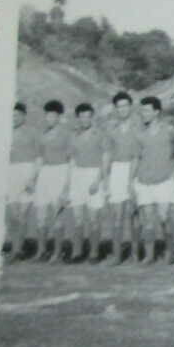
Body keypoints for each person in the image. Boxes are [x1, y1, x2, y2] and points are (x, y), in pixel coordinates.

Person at [130, 96, 174, 265]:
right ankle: (149, 256)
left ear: (156, 112)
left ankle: (169, 252)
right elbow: (136, 158)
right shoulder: (139, 133)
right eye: (142, 110)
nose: (143, 114)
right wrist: (131, 181)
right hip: (144, 181)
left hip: (164, 181)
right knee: (147, 221)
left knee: (164, 218)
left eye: (147, 110)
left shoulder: (170, 130)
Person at [66, 103, 109, 264]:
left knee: (93, 217)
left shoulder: (100, 134)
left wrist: (98, 180)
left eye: (88, 116)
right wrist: (68, 184)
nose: (85, 119)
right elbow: (71, 160)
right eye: (81, 116)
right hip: (77, 175)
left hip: (93, 174)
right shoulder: (73, 135)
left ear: (92, 117)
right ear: (77, 118)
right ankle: (77, 252)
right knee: (77, 217)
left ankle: (94, 252)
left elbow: (105, 159)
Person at [31, 99, 72, 262]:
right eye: (47, 116)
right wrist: (33, 178)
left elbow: (71, 161)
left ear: (59, 117)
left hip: (60, 171)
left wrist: (66, 186)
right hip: (44, 173)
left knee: (57, 214)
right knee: (40, 214)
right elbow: (39, 158)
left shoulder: (66, 134)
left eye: (53, 116)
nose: (50, 119)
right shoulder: (42, 134)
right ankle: (41, 251)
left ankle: (57, 252)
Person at [105, 91, 141, 264]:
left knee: (133, 213)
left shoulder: (139, 125)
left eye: (125, 105)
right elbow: (107, 154)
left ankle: (135, 253)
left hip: (135, 169)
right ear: (115, 109)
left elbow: (142, 151)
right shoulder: (111, 128)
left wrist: (133, 178)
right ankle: (117, 254)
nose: (122, 109)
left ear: (131, 107)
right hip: (117, 170)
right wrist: (105, 177)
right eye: (119, 106)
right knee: (116, 214)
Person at [4, 102, 37, 261]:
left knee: (22, 214)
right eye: (12, 116)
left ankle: (18, 249)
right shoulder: (4, 133)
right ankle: (14, 247)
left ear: (24, 116)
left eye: (17, 115)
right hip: (10, 173)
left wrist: (32, 178)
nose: (14, 118)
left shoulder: (32, 133)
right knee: (12, 214)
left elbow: (39, 157)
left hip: (27, 172)